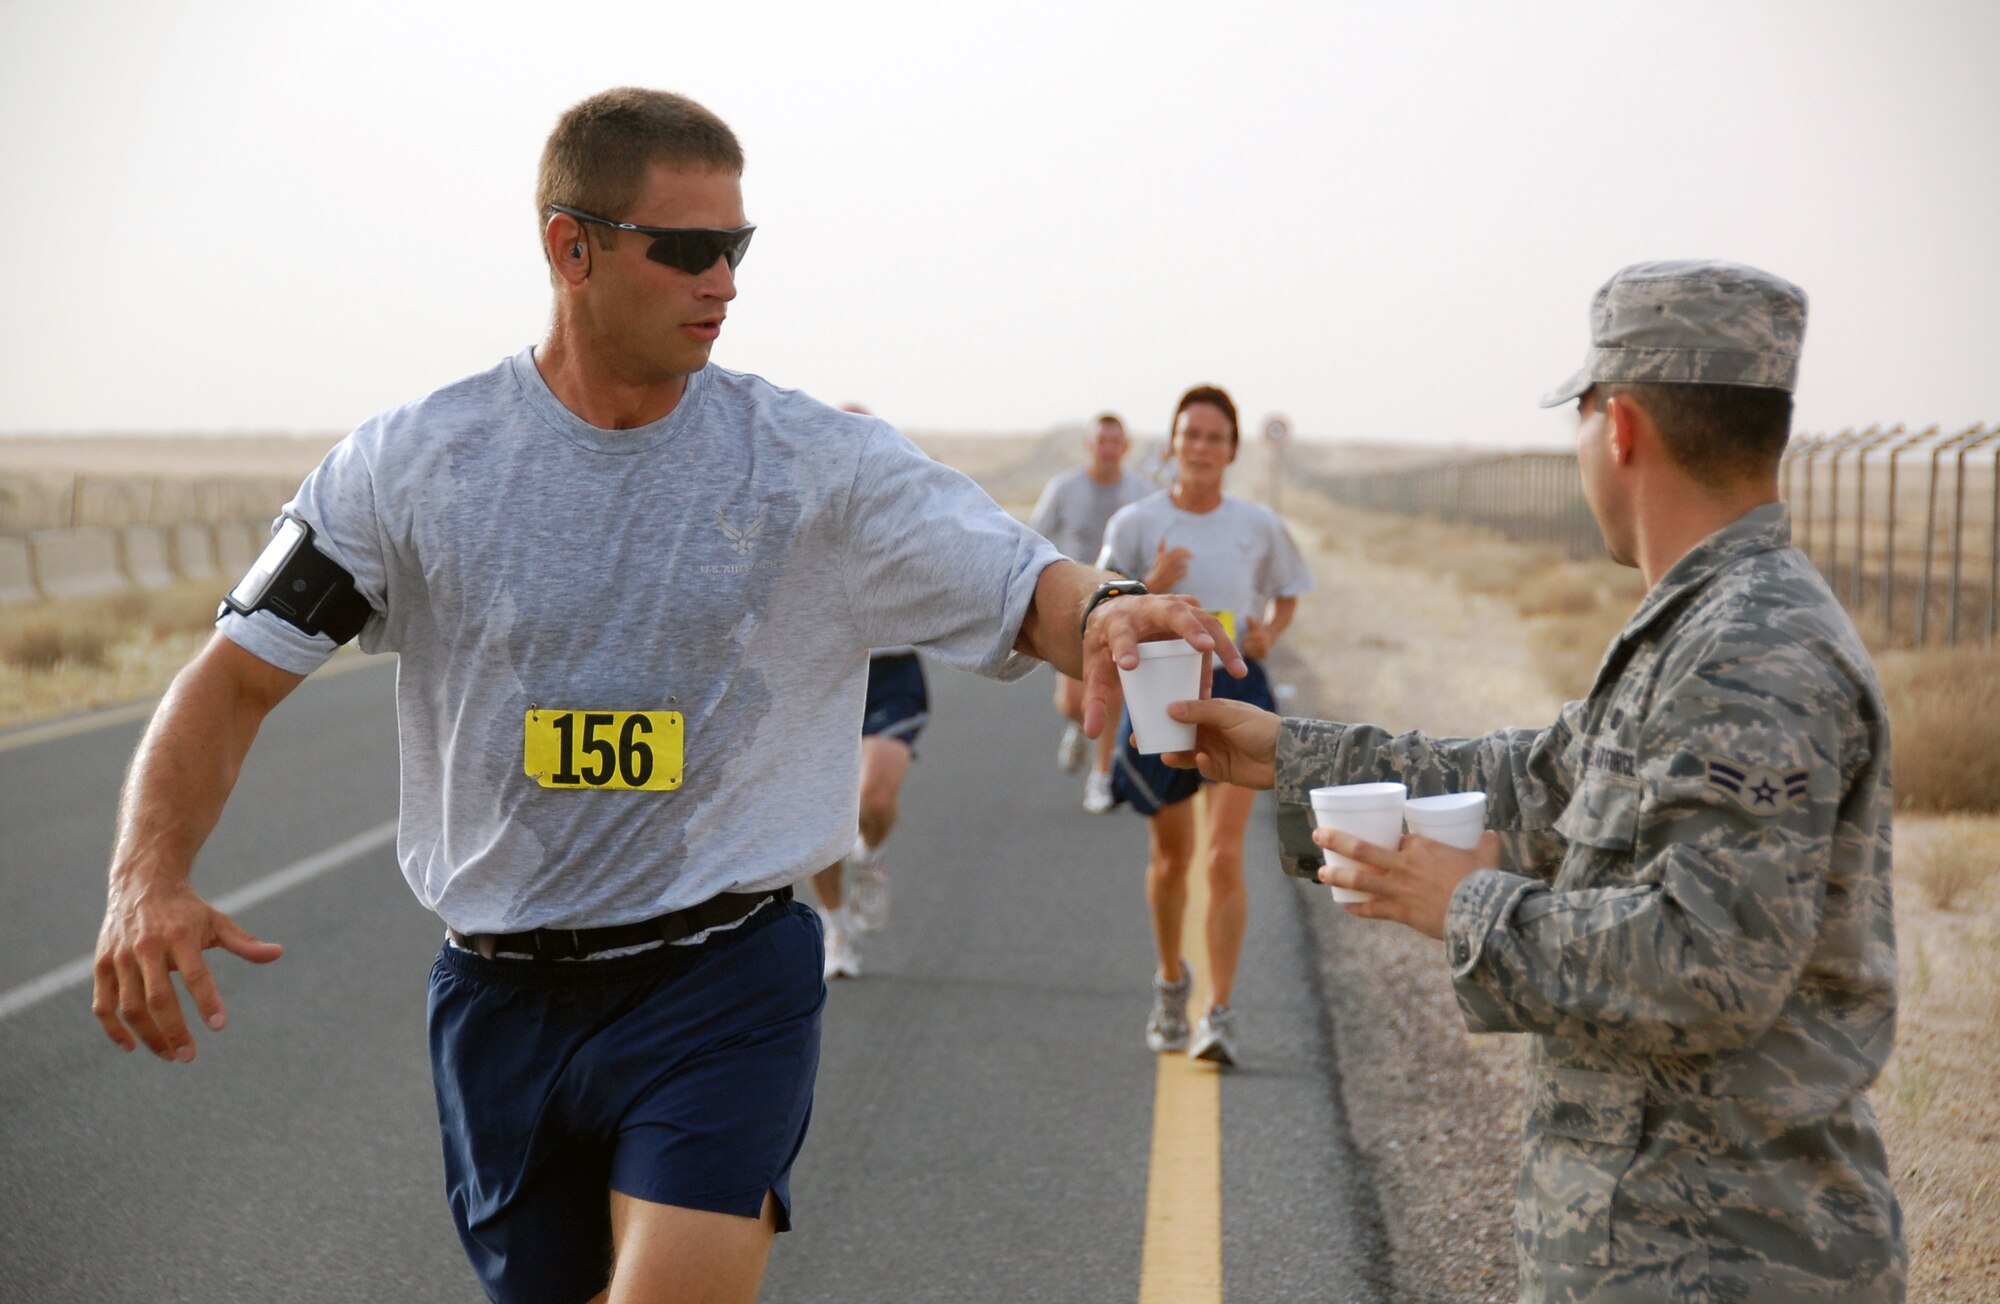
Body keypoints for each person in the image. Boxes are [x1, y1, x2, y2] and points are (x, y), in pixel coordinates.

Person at [88, 87, 1239, 1304]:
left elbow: (1020, 578)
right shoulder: (409, 465)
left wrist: (1106, 607)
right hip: (499, 997)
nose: (723, 281)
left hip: (721, 975)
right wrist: (144, 874)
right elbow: (233, 676)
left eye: (736, 247)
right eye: (685, 248)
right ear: (568, 248)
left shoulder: (817, 466)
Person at [1168, 262, 1905, 1300]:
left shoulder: (1747, 647)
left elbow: (1709, 963)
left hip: (1722, 1259)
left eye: (1580, 419)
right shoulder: (1700, 626)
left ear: (1619, 428)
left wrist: (1464, 904)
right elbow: (1537, 778)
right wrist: (1286, 753)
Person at [1097, 384, 1312, 1066]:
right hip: (1162, 687)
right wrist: (1148, 583)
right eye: (1190, 435)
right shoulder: (1137, 521)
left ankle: (1218, 1013)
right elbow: (1101, 604)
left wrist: (1267, 634)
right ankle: (1170, 982)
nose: (1201, 448)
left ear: (1232, 451)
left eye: (1215, 438)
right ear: (1172, 444)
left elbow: (1286, 595)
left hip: (1238, 683)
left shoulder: (1258, 524)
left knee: (1224, 856)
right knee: (1173, 859)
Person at [1027, 413, 1152, 812]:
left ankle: (1101, 778)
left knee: (1112, 690)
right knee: (1073, 700)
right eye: (1101, 441)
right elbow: (1034, 540)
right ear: (1089, 445)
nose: (1108, 449)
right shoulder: (1063, 489)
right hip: (1070, 610)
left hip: (1121, 607)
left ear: (1126, 447)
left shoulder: (1141, 493)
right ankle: (1076, 725)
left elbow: (1152, 547)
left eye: (1116, 442)